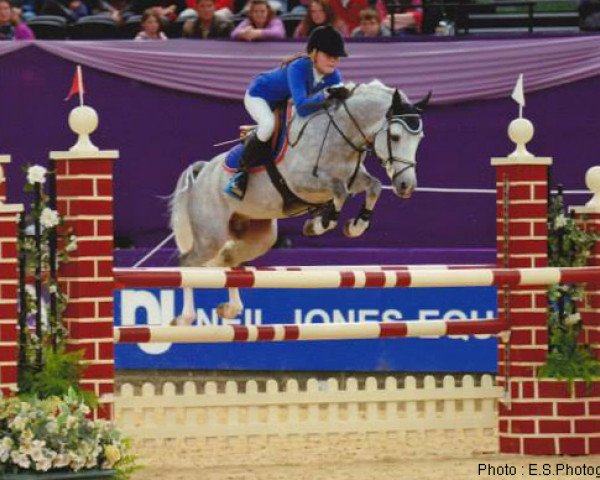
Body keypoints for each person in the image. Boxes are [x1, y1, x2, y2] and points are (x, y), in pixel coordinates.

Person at [225, 25, 350, 200]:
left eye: (337, 58)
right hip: (259, 95)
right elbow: (302, 106)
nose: (334, 62)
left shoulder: (333, 76)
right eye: (329, 56)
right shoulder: (299, 67)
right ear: (314, 53)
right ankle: (240, 175)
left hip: (281, 102)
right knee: (268, 125)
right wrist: (328, 94)